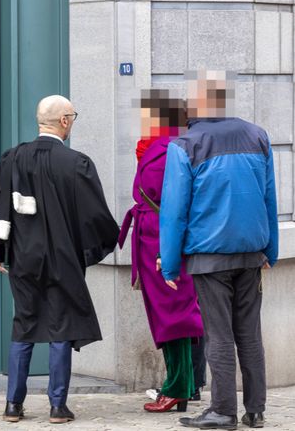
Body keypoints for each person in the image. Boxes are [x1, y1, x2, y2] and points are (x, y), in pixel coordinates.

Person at [0, 95, 119, 424]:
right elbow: (96, 217)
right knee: (62, 327)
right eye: (72, 116)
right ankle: (57, 406)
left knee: (24, 325)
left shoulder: (12, 159)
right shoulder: (77, 164)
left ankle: (12, 406)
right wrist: (89, 252)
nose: (73, 121)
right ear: (63, 121)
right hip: (63, 259)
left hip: (23, 259)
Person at [159, 70, 277, 430]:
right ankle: (255, 409)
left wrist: (170, 265)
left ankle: (222, 411)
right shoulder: (258, 136)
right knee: (249, 333)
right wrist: (271, 251)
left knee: (219, 336)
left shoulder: (185, 145)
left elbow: (174, 211)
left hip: (209, 256)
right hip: (250, 252)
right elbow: (269, 197)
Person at [118, 89, 204, 413]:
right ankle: (181, 384)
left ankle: (179, 387)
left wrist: (168, 249)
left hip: (162, 238)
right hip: (153, 235)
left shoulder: (170, 150)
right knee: (168, 314)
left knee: (174, 315)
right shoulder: (157, 148)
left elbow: (176, 203)